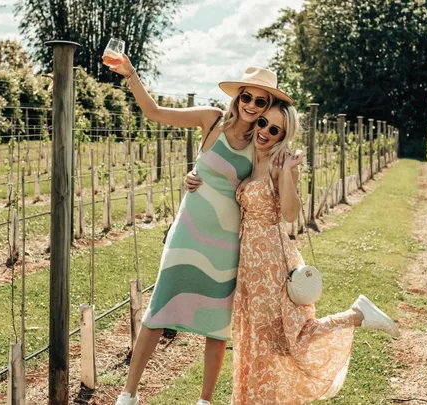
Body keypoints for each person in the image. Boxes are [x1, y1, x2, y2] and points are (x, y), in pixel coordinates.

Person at [106, 54, 293, 405]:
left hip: (226, 244)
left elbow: (264, 192)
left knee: (216, 326)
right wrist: (131, 74)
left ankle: (205, 401)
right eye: (247, 97)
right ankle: (128, 394)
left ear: (268, 106)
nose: (252, 106)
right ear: (237, 97)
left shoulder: (261, 145)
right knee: (158, 311)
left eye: (260, 101)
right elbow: (156, 113)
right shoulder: (212, 121)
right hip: (187, 233)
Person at [188, 100, 400, 404]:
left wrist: (287, 172)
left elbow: (289, 214)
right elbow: (218, 172)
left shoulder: (279, 163)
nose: (265, 132)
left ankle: (355, 315)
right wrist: (193, 177)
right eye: (263, 123)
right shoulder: (251, 157)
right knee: (255, 339)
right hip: (249, 264)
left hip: (271, 262)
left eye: (275, 130)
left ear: (282, 136)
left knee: (286, 339)